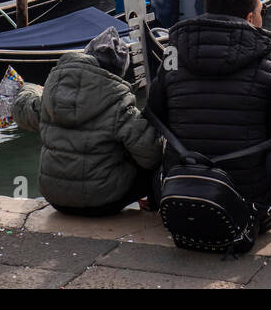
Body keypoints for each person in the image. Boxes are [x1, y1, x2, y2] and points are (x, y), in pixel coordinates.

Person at [146, 0, 271, 232]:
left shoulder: (172, 53)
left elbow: (155, 116)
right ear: (251, 18)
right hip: (252, 211)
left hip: (177, 200)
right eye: (262, 11)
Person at [10, 26, 160, 216]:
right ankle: (152, 210)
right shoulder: (120, 101)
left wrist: (30, 88)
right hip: (103, 202)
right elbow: (151, 155)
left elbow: (22, 110)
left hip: (55, 198)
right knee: (154, 166)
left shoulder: (51, 92)